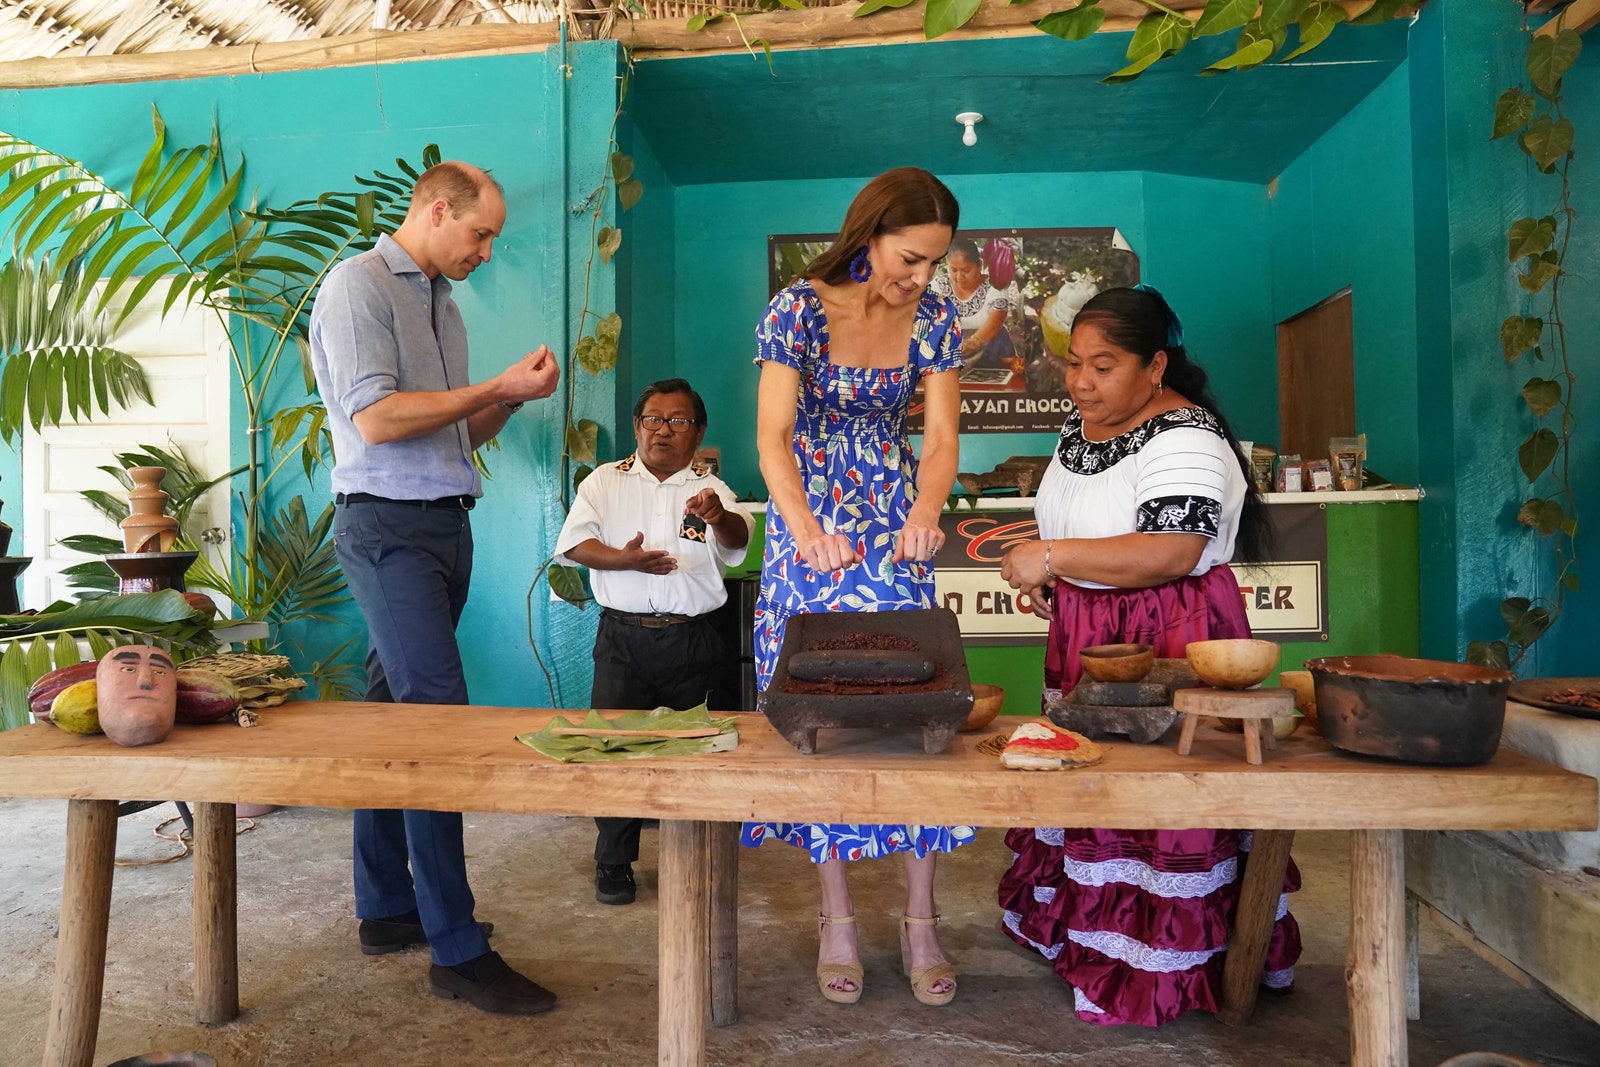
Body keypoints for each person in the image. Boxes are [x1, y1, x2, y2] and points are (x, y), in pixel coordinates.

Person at [995, 285, 1301, 1026]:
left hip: (1168, 634)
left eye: (1103, 365)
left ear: (1156, 365)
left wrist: (1053, 557)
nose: (1080, 381)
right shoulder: (1082, 431)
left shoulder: (1187, 439)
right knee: (1091, 791)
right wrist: (1059, 582)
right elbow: (1087, 533)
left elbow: (1172, 550)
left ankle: (1156, 963)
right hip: (1092, 638)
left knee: (1160, 800)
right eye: (1074, 363)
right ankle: (1089, 932)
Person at [310, 160, 562, 1016]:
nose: (487, 252)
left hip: (444, 522)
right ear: (436, 207)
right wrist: (492, 383)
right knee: (438, 722)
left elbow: (457, 429)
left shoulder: (443, 307)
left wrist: (513, 397)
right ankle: (456, 947)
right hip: (385, 528)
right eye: (480, 233)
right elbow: (376, 420)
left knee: (393, 715)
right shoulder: (357, 286)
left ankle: (385, 906)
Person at [740, 167, 970, 1008]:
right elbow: (771, 437)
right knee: (823, 715)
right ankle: (835, 916)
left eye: (933, 264)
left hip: (893, 511)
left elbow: (941, 436)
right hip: (811, 521)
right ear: (869, 233)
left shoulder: (937, 316)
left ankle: (920, 916)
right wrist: (804, 534)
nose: (920, 278)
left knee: (919, 710)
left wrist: (926, 511)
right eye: (911, 258)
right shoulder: (796, 309)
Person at [554, 378, 753, 906]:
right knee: (614, 750)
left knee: (698, 753)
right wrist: (624, 559)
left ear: (698, 431)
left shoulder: (713, 489)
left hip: (695, 640)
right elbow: (574, 544)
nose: (664, 430)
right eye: (653, 419)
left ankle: (699, 861)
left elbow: (736, 545)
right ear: (638, 426)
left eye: (679, 421)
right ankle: (614, 863)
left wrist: (719, 517)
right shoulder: (605, 480)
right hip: (623, 638)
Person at [931, 235, 1017, 371]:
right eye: (953, 270)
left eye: (966, 270)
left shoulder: (995, 285)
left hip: (993, 349)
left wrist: (974, 342)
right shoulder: (939, 285)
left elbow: (998, 315)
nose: (959, 277)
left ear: (980, 265)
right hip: (951, 352)